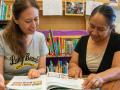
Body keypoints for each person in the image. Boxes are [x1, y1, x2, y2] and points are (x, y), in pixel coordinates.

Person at [68, 4, 120, 89]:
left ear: (111, 28)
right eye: (91, 26)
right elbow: (73, 63)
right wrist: (74, 67)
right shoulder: (83, 40)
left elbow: (118, 69)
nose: (94, 32)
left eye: (100, 29)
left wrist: (100, 77)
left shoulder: (117, 40)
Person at [0, 0, 48, 89]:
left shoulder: (40, 38)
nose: (34, 25)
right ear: (15, 20)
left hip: (34, 85)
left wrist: (38, 72)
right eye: (28, 21)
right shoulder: (2, 37)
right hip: (9, 86)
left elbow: (42, 68)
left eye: (36, 19)